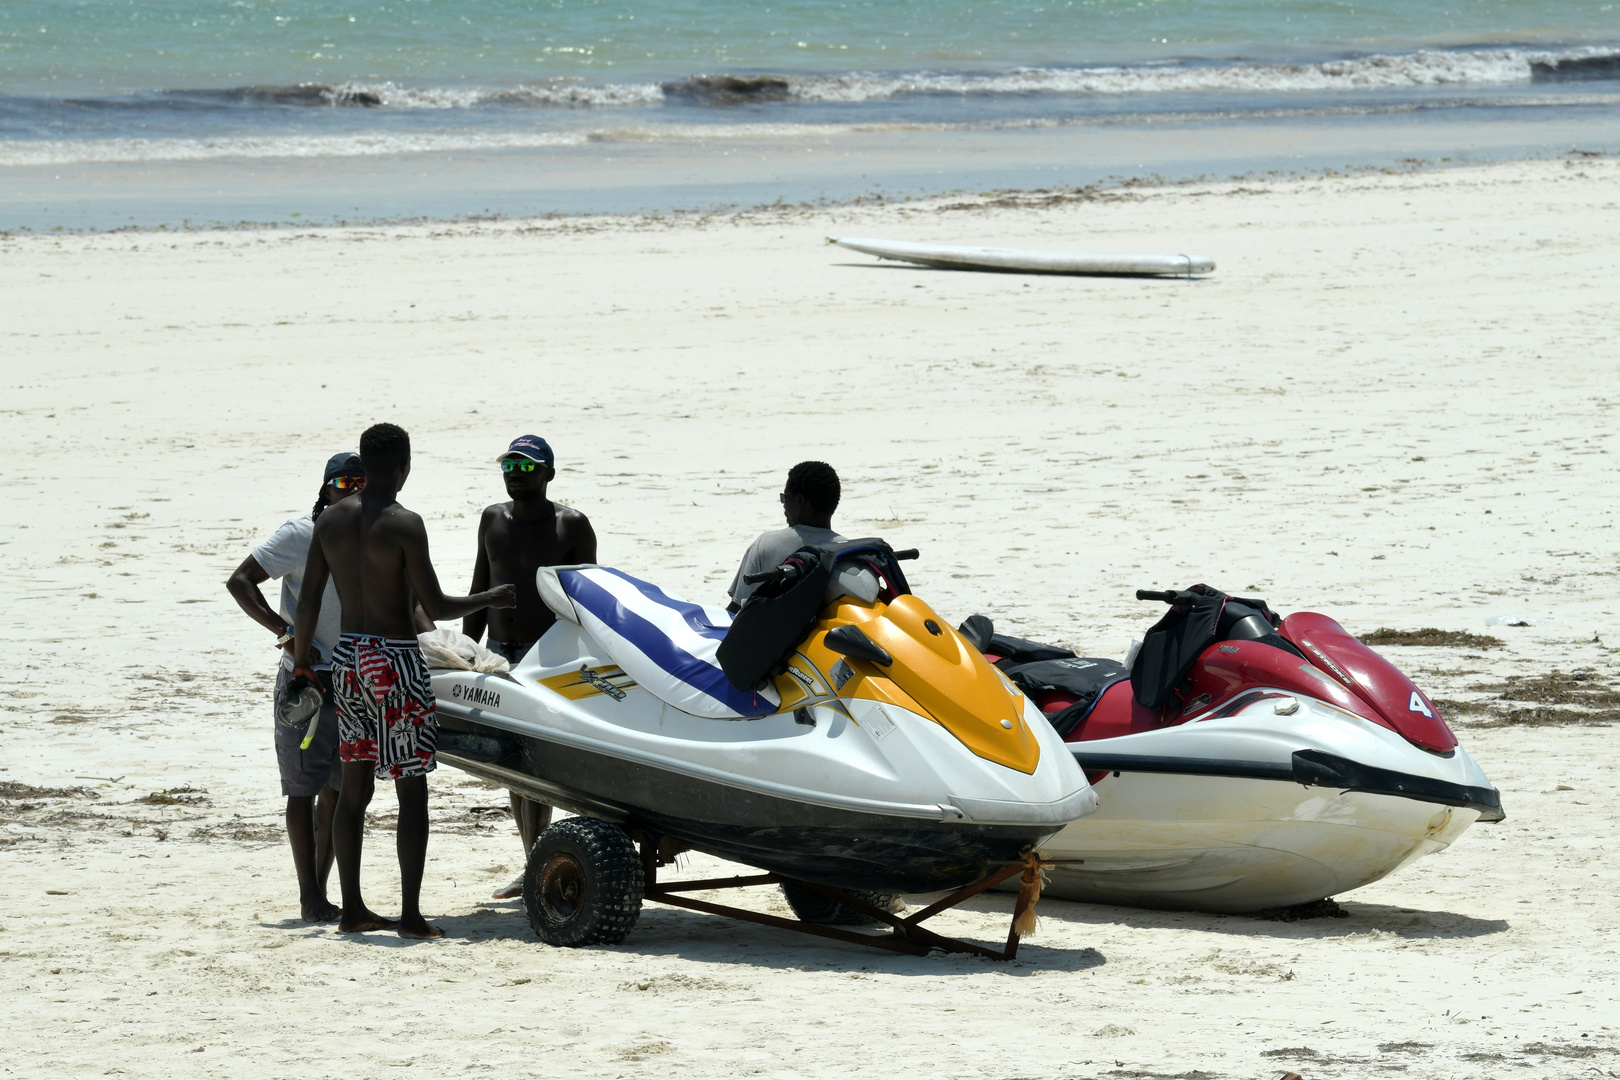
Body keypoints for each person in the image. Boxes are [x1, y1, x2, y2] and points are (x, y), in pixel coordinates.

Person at [291, 423, 516, 939]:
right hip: (395, 660)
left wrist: (303, 661)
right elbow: (434, 608)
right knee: (411, 792)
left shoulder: (330, 521)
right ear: (404, 465)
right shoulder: (405, 523)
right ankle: (411, 915)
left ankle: (351, 910)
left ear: (365, 465)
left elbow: (307, 601)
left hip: (349, 659)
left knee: (354, 789)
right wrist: (489, 598)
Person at [226, 452, 365, 924]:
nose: (352, 490)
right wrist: (284, 635)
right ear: (326, 489)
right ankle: (310, 898)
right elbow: (240, 580)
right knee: (303, 789)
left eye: (361, 482)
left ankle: (324, 894)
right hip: (305, 679)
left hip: (355, 678)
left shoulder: (374, 535)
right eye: (343, 482)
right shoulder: (302, 534)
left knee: (342, 790)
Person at [462, 434, 598, 899]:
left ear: (548, 473)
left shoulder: (572, 525)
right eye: (509, 468)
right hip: (500, 652)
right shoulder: (492, 519)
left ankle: (542, 860)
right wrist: (465, 648)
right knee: (513, 762)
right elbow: (481, 584)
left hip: (550, 658)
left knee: (542, 764)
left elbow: (589, 601)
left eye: (526, 468)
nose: (516, 477)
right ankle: (533, 862)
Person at [727, 461, 846, 613]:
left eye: (785, 498)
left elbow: (735, 611)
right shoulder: (846, 550)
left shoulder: (766, 544)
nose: (783, 505)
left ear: (799, 501)